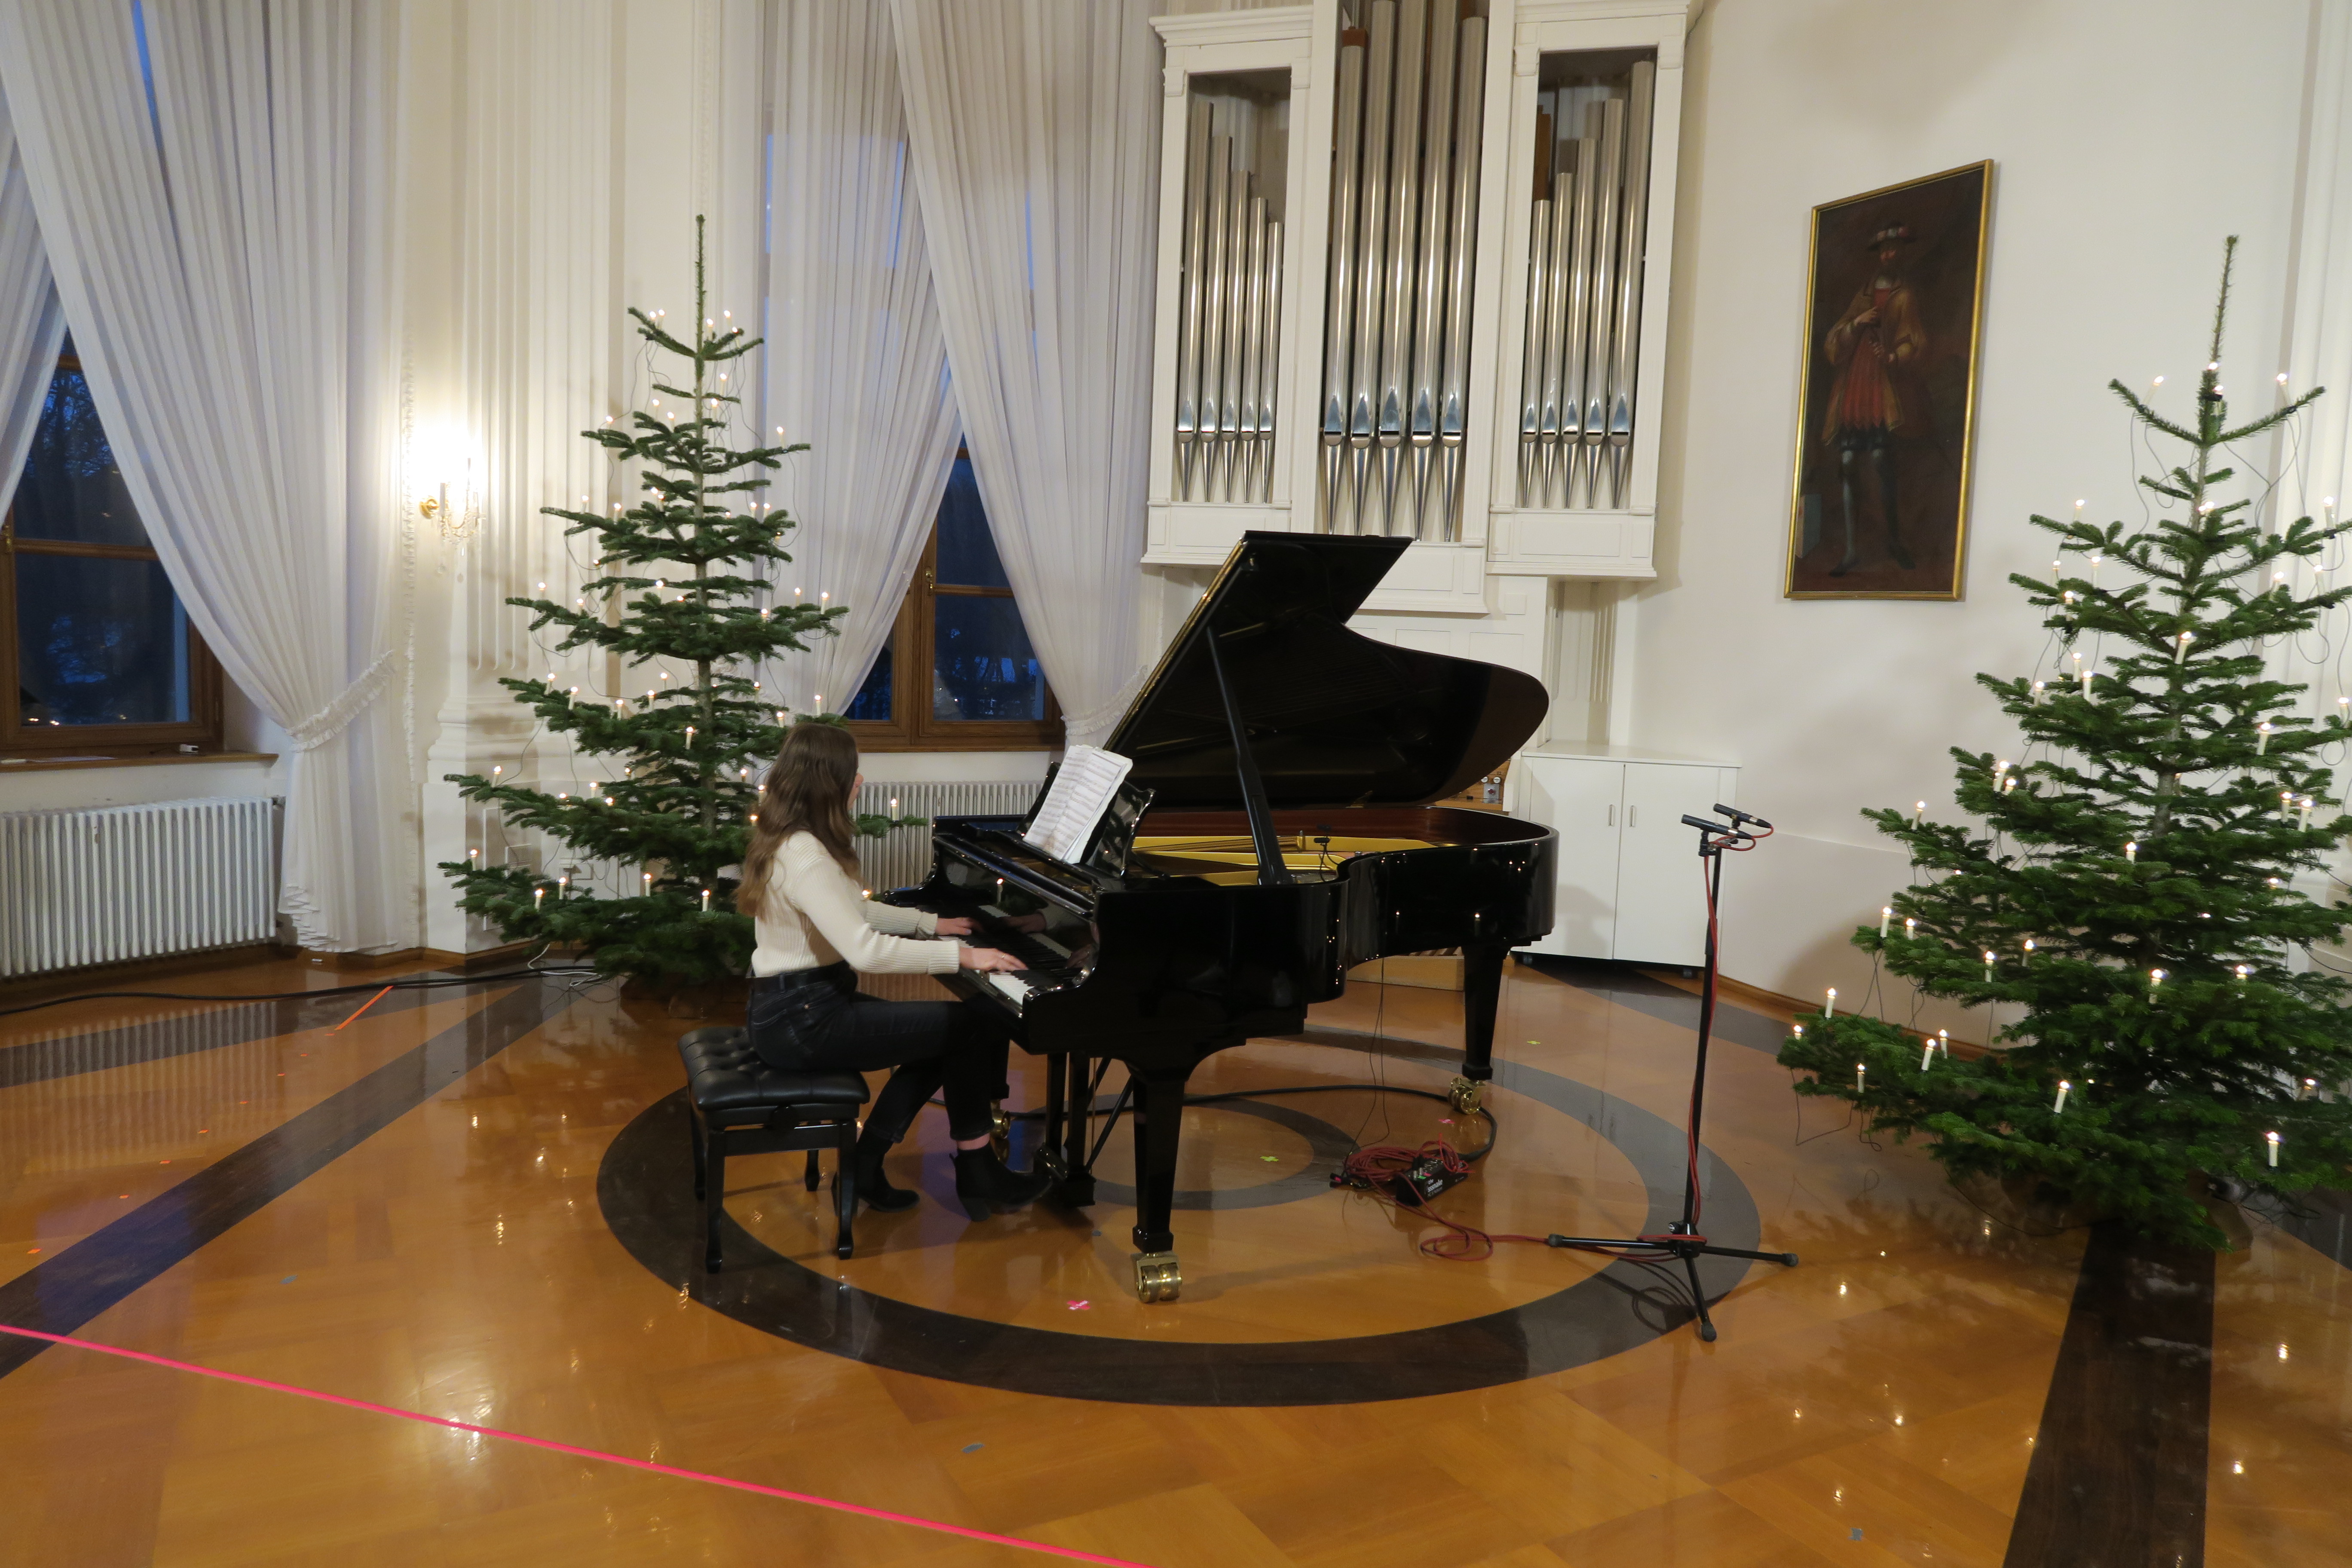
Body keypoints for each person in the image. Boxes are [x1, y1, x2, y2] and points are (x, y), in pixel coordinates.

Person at [735, 722, 1049, 1220]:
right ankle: (974, 1171)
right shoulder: (807, 856)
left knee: (944, 1037)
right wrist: (962, 955)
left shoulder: (792, 840)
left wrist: (931, 925)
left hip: (796, 1007)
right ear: (829, 782)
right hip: (803, 1021)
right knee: (970, 1026)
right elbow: (865, 951)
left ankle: (873, 1165)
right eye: (853, 772)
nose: (860, 781)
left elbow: (852, 911)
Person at [1820, 224, 1927, 576]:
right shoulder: (1863, 294)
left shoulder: (1905, 295)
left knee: (1881, 460)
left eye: (1893, 250)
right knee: (1848, 461)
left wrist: (1894, 357)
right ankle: (1852, 550)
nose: (1887, 255)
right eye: (1883, 251)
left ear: (1901, 253)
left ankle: (1894, 542)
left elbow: (1914, 339)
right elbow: (1835, 339)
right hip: (1855, 384)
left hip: (1882, 386)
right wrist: (1857, 323)